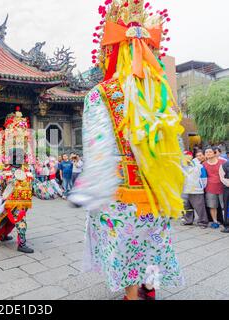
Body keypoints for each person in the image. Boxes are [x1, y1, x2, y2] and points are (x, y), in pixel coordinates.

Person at [69, 0, 184, 300]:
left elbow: (98, 153)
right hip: (157, 193)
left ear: (109, 50)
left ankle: (132, 294)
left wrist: (89, 192)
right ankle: (150, 289)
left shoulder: (101, 96)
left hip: (121, 195)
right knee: (154, 244)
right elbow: (176, 150)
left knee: (128, 249)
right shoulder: (161, 93)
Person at [0, 108, 61, 254]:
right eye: (17, 155)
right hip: (12, 202)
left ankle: (1, 234)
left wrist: (52, 188)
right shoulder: (3, 173)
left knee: (7, 219)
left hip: (24, 201)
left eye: (21, 155)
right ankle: (22, 243)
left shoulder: (27, 171)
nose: (20, 157)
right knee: (20, 222)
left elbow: (36, 187)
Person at [181, 151, 208, 228]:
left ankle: (203, 222)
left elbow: (204, 178)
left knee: (199, 207)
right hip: (185, 190)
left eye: (187, 155)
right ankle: (188, 220)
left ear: (191, 156)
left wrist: (200, 187)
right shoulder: (181, 166)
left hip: (196, 190)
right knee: (187, 207)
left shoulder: (199, 166)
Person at [203, 147, 226, 229]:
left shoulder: (223, 162)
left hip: (223, 187)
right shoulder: (204, 164)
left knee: (225, 205)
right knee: (212, 206)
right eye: (206, 152)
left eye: (210, 152)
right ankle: (215, 221)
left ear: (214, 153)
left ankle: (226, 221)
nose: (208, 153)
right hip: (210, 188)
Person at [220, 161, 229, 233]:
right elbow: (222, 178)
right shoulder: (224, 165)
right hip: (227, 189)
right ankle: (227, 225)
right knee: (227, 207)